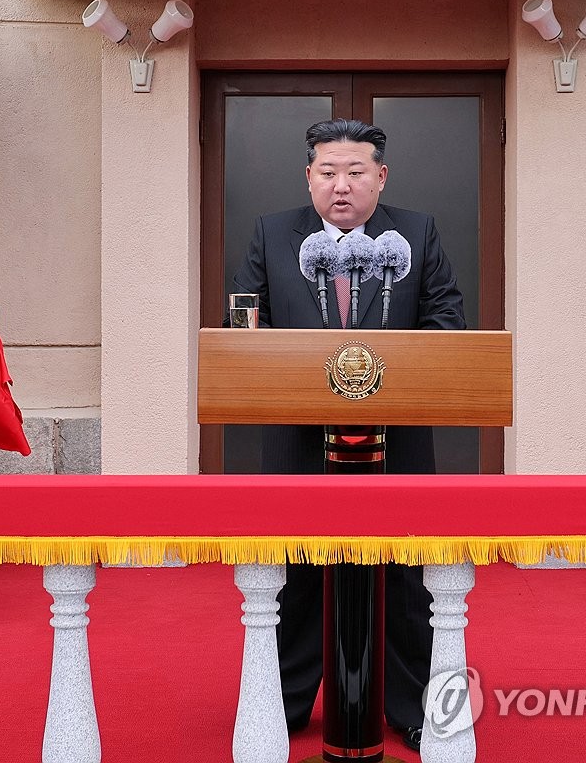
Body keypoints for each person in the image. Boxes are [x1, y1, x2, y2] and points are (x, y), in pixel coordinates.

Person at [229, 118, 466, 751]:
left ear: (380, 177)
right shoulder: (274, 234)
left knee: (405, 579)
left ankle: (411, 705)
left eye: (356, 173)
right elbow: (246, 325)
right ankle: (281, 702)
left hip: (396, 445)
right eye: (328, 172)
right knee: (297, 576)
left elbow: (446, 317)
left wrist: (399, 367)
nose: (342, 186)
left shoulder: (414, 233)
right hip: (300, 443)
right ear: (308, 175)